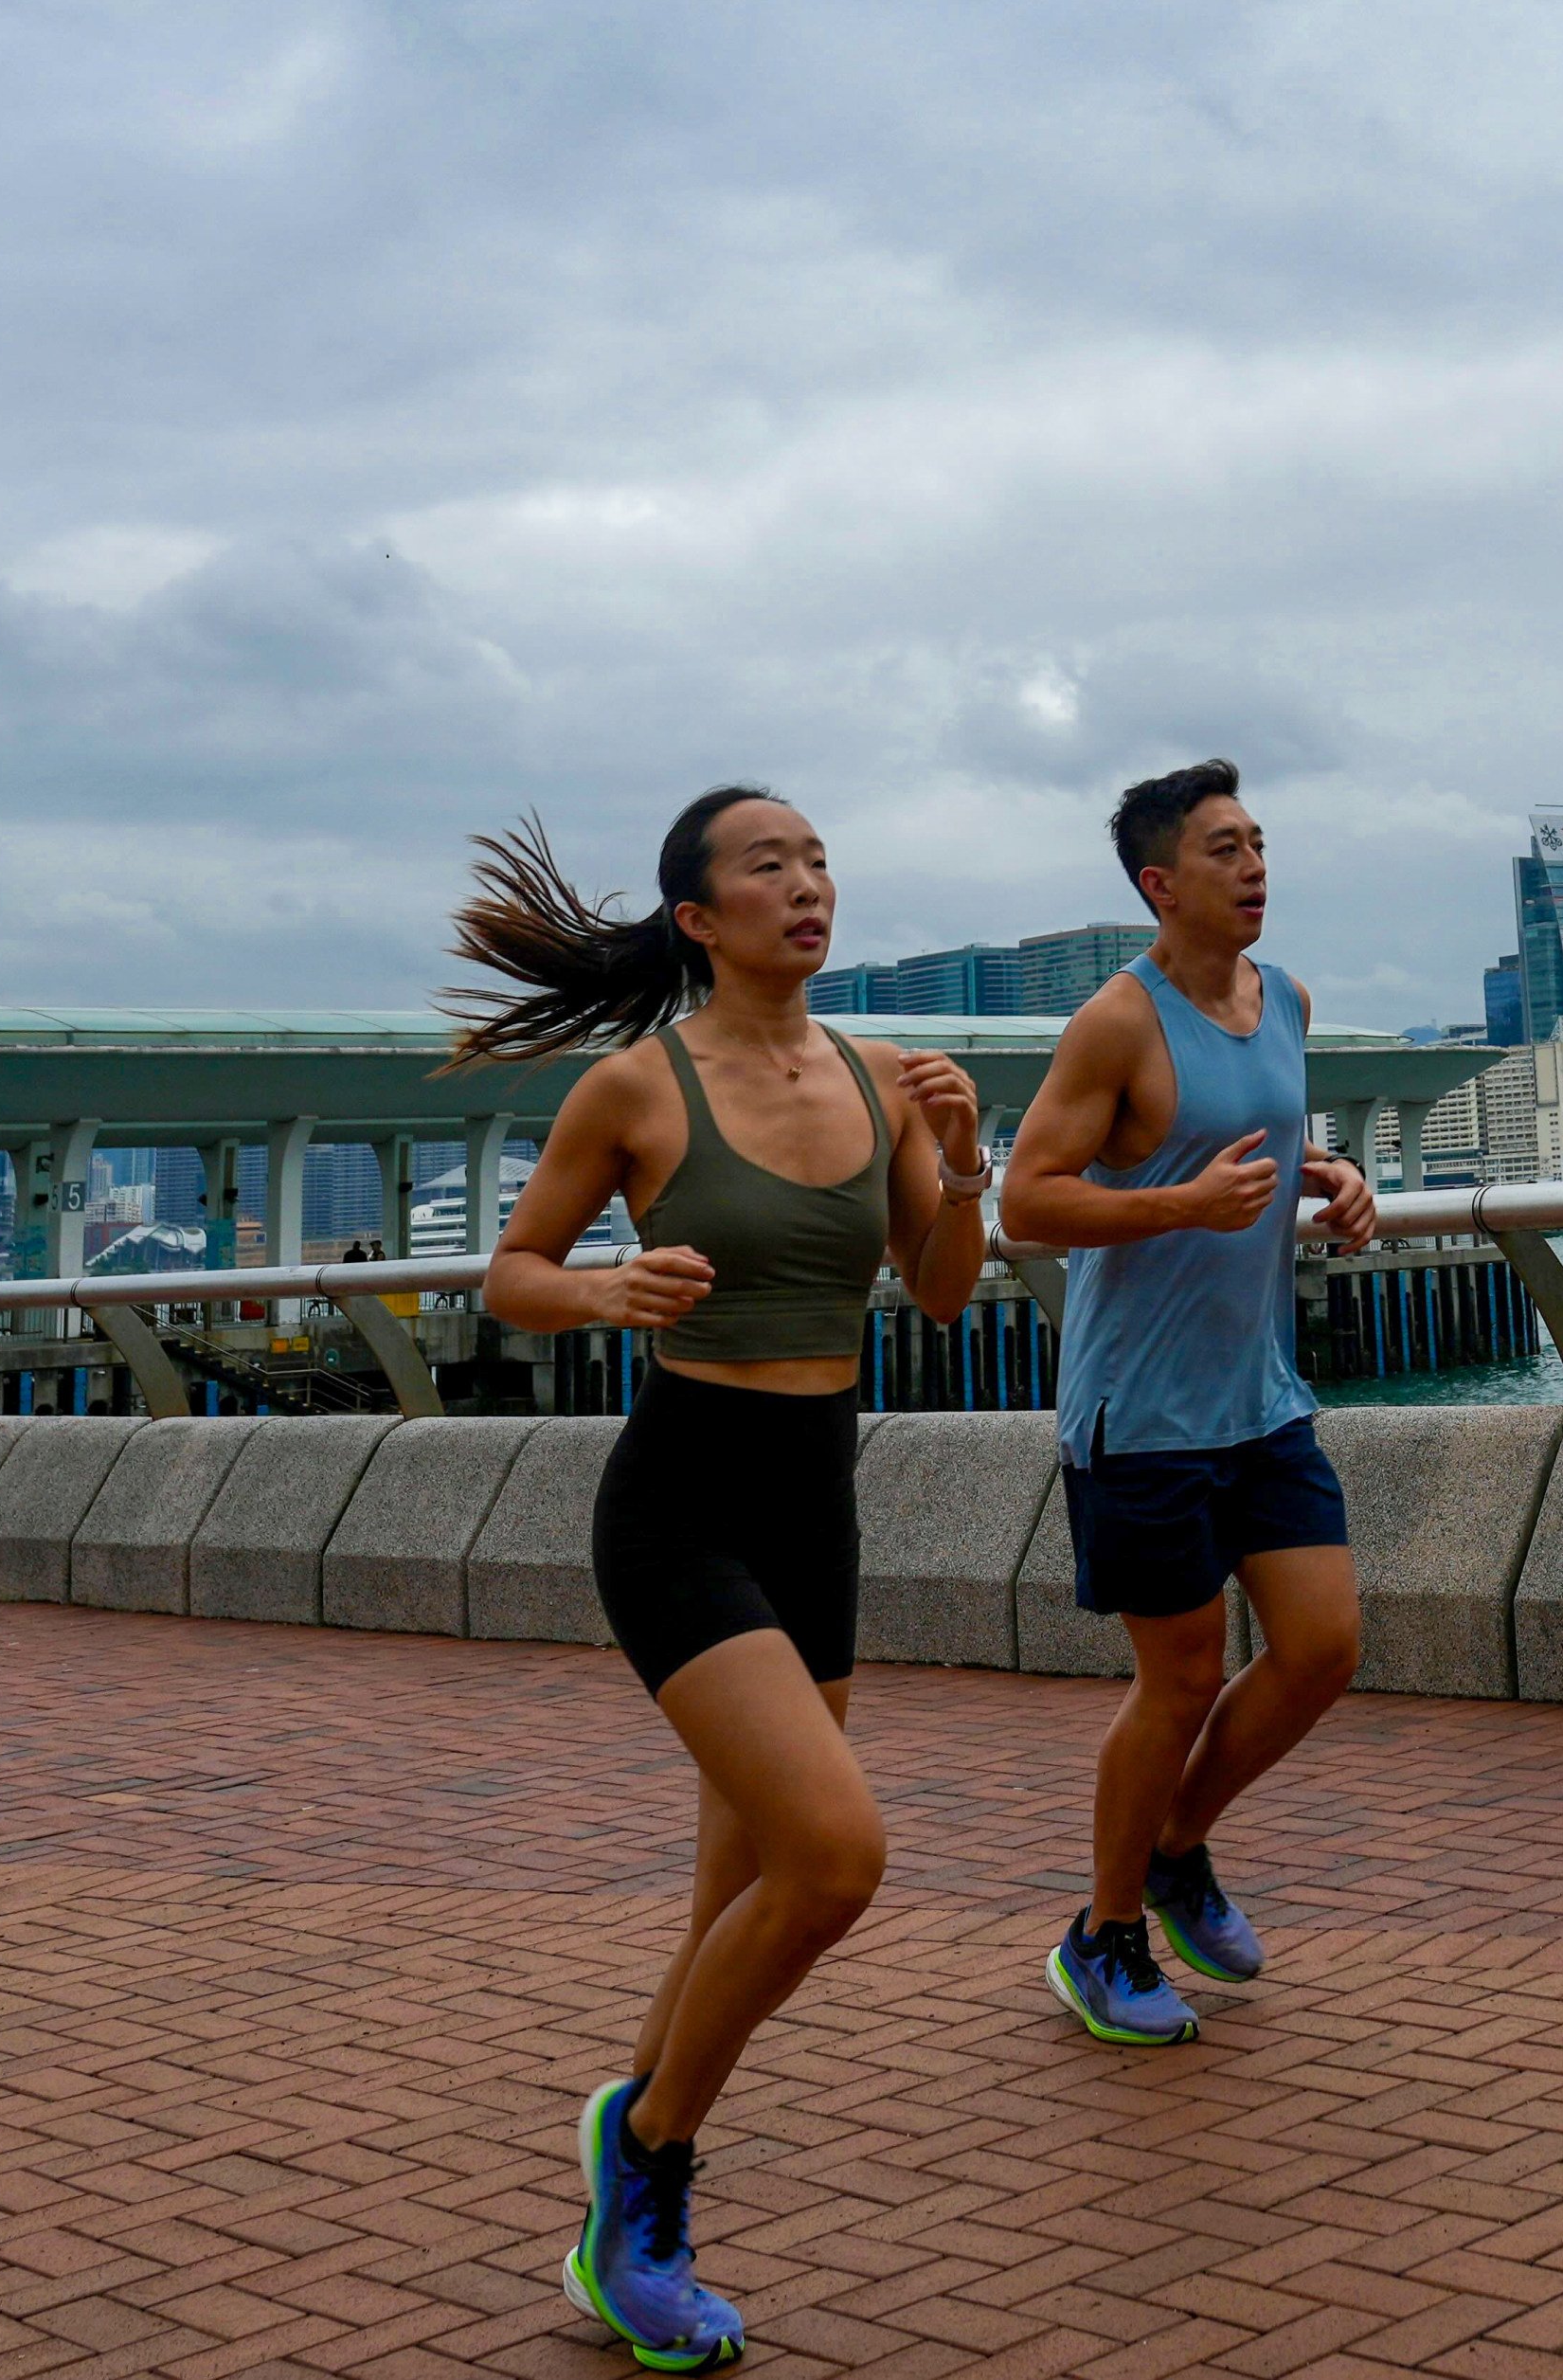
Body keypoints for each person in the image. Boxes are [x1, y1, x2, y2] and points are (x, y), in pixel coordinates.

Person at [461, 786, 989, 2372]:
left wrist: (960, 1164)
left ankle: (616, 2243)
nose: (805, 884)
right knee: (831, 1858)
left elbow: (944, 1295)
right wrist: (607, 1286)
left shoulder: (889, 1075)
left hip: (813, 1498)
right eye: (767, 865)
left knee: (728, 1902)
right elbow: (508, 1274)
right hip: (679, 1496)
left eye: (817, 858)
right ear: (698, 916)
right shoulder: (635, 1082)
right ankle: (645, 2150)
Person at [998, 759, 1377, 2046]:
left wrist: (1330, 1172)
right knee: (1179, 1678)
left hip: (1258, 1396)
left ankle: (1176, 1844)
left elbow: (1250, 1139)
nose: (1254, 864)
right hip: (1140, 1408)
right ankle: (1100, 1934)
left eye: (1258, 840)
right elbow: (1028, 1199)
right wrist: (1175, 1204)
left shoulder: (1287, 999)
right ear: (1161, 883)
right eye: (1223, 848)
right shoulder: (1117, 1020)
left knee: (1322, 1647)